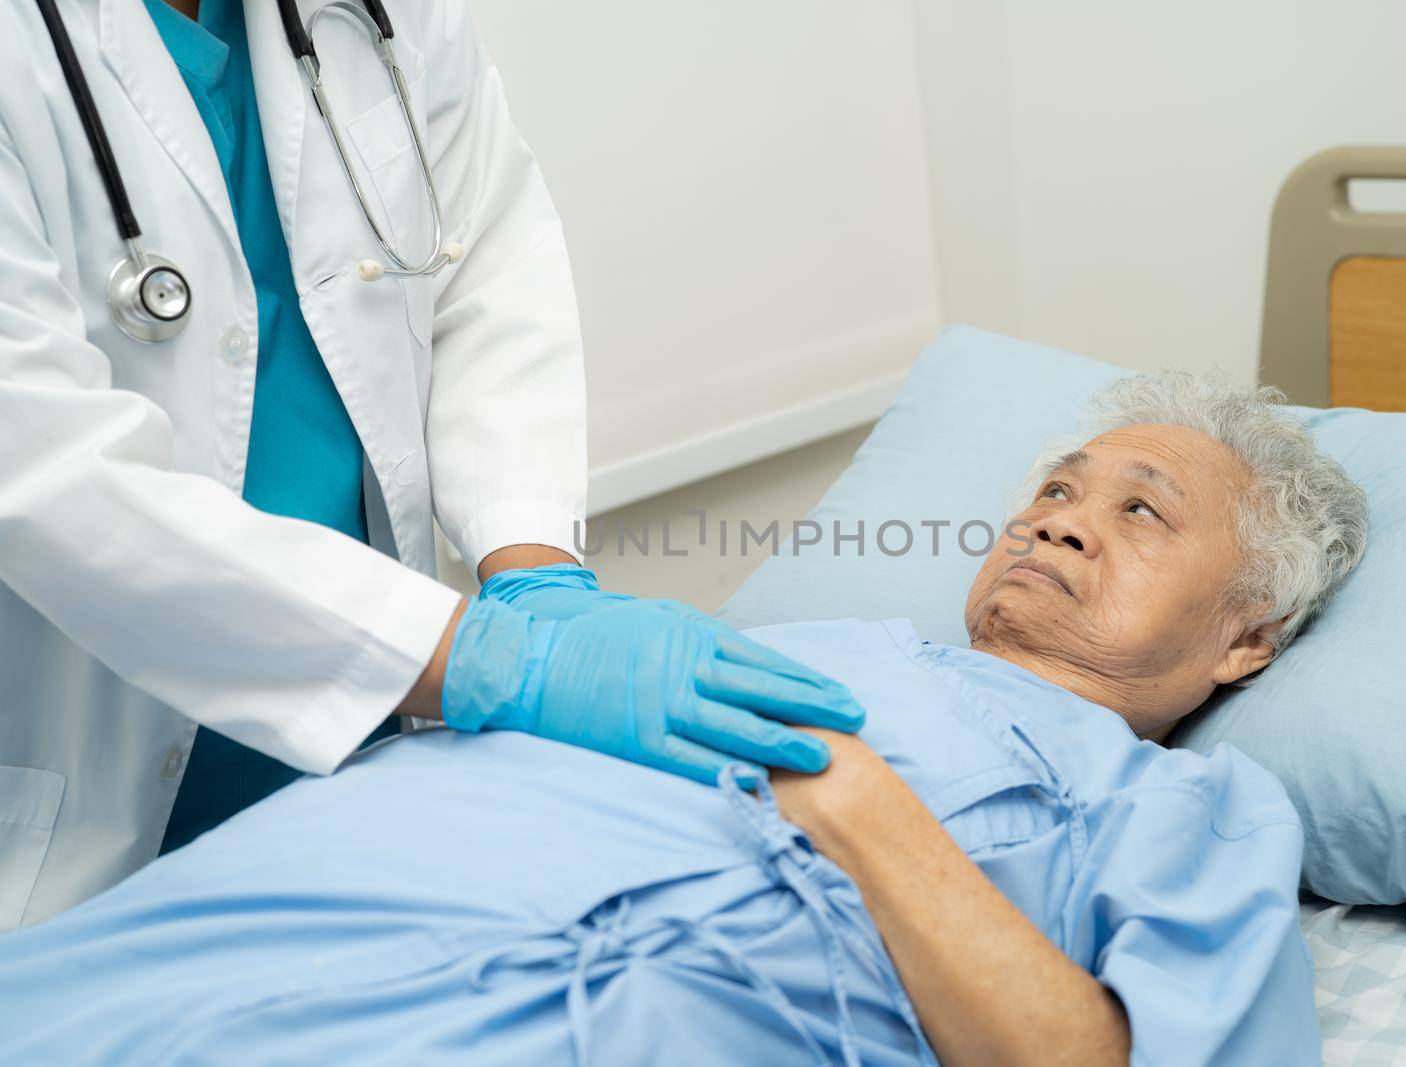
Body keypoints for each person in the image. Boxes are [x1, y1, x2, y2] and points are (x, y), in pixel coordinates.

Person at [0, 372, 1368, 1066]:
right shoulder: (774, 642)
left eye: (1142, 509)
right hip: (290, 895)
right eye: (1056, 486)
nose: (1059, 511)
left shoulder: (1181, 804)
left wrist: (858, 799)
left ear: (1247, 635)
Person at [0, 0, 863, 930]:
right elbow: (53, 476)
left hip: (371, 757)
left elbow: (484, 251)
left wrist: (533, 571)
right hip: (83, 799)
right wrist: (492, 662)